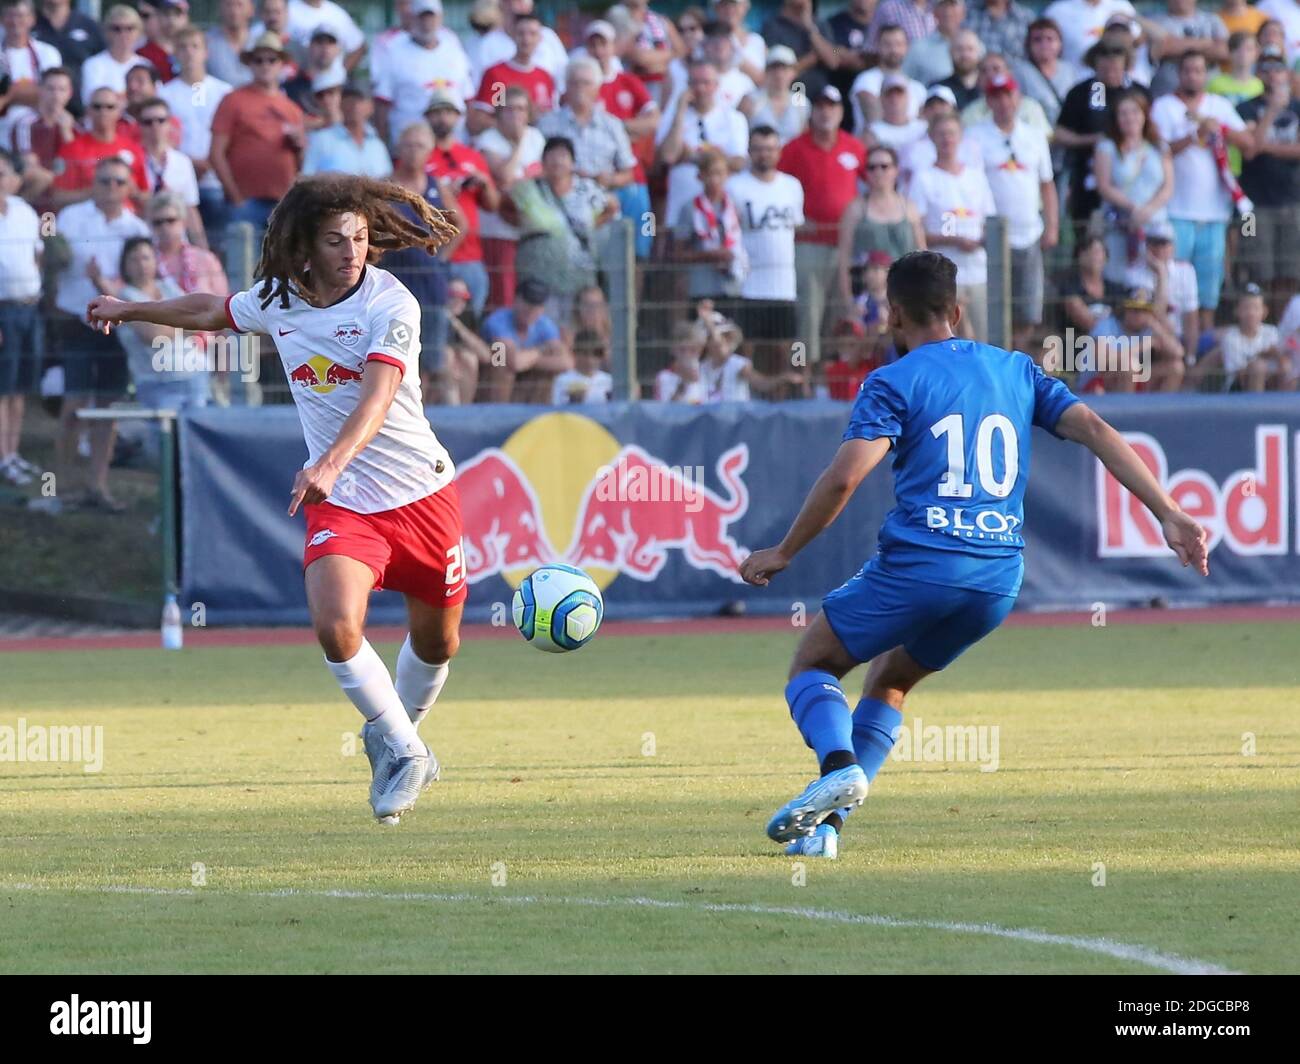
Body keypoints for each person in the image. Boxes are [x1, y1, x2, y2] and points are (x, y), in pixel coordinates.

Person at [738, 250, 1209, 860]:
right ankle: (827, 832)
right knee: (893, 681)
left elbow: (843, 479)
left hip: (921, 563)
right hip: (996, 579)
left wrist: (784, 550)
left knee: (814, 665)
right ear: (958, 311)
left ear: (893, 316)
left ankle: (835, 765)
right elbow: (1092, 425)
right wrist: (1168, 512)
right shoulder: (1016, 370)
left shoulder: (893, 381)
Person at [88, 173, 464, 824]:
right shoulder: (281, 298)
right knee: (335, 623)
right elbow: (213, 311)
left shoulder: (390, 303)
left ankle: (400, 740)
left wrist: (330, 459)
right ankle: (405, 750)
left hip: (421, 494)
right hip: (343, 500)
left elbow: (377, 397)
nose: (351, 251)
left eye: (360, 238)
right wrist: (131, 307)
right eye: (335, 240)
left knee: (438, 645)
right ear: (304, 248)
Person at [42, 156, 150, 515]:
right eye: (104, 181)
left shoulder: (135, 227)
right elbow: (49, 258)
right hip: (77, 320)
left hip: (115, 326)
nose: (111, 188)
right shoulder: (71, 218)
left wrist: (106, 285)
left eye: (119, 182)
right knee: (73, 405)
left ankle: (97, 485)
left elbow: (139, 279)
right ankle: (61, 485)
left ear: (128, 186)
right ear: (94, 182)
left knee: (107, 408)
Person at [1152, 49, 1253, 333]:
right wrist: (1194, 136)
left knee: (1208, 290)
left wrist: (1219, 128)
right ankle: (1176, 347)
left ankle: (1203, 345)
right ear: (1179, 74)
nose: (1193, 75)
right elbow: (1158, 150)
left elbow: (1247, 142)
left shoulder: (1218, 106)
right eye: (1188, 70)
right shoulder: (1164, 107)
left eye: (1199, 70)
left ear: (1206, 74)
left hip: (1215, 213)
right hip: (1177, 211)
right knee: (1174, 289)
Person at [968, 73, 1058, 350]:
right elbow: (970, 185)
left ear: (1017, 97)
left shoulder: (1034, 136)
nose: (1003, 101)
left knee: (1028, 308)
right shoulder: (975, 136)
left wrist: (1052, 226)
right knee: (995, 308)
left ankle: (1014, 360)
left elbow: (1047, 185)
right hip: (991, 237)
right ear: (988, 100)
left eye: (1008, 94)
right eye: (996, 95)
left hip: (1029, 232)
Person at [780, 86, 867, 365]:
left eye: (831, 106)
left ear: (841, 112)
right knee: (809, 312)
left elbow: (875, 183)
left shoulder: (854, 147)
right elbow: (778, 187)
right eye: (819, 106)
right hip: (811, 244)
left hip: (848, 246)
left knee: (840, 311)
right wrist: (795, 221)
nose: (825, 111)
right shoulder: (794, 148)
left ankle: (836, 373)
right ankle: (807, 376)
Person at [386, 120, 461, 404]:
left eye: (420, 146)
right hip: (397, 279)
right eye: (408, 145)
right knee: (400, 354)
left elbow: (459, 223)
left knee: (432, 357)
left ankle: (424, 411)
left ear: (430, 150)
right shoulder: (387, 185)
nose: (414, 152)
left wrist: (441, 256)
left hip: (430, 282)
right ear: (399, 148)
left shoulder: (434, 185)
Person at [510, 135, 617, 326]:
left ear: (573, 162)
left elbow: (611, 206)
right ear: (543, 162)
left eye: (563, 156)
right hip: (540, 279)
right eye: (551, 156)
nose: (557, 161)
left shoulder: (586, 189)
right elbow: (504, 205)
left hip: (580, 277)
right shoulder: (528, 189)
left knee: (580, 332)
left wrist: (592, 224)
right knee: (546, 332)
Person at [729, 125, 804, 389]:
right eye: (758, 149)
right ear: (749, 151)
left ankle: (787, 403)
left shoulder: (792, 186)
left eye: (770, 149)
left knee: (786, 350)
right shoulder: (735, 186)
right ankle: (744, 398)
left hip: (784, 283)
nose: (764, 155)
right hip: (749, 283)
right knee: (746, 350)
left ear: (778, 152)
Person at [909, 112, 996, 341]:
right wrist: (954, 240)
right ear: (932, 138)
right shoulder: (923, 178)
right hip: (943, 276)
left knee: (980, 338)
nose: (947, 139)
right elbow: (917, 229)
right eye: (941, 134)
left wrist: (979, 241)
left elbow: (990, 222)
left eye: (952, 133)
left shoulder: (976, 177)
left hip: (977, 272)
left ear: (960, 137)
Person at [209, 31, 305, 231]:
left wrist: (300, 146)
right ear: (250, 64)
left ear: (281, 64)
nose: (265, 65)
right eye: (258, 60)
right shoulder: (233, 100)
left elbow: (302, 163)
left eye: (271, 60)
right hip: (245, 202)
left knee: (281, 261)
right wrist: (235, 197)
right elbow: (216, 154)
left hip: (283, 203)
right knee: (242, 259)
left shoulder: (292, 109)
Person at [424, 90, 499, 318]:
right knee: (437, 324)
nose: (443, 118)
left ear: (458, 117)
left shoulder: (472, 157)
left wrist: (484, 184)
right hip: (437, 254)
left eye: (448, 112)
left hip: (471, 257)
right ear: (427, 117)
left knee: (471, 324)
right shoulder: (422, 156)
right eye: (437, 113)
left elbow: (493, 206)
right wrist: (446, 191)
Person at [1093, 89, 1173, 288]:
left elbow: (1168, 186)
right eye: (1123, 113)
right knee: (1121, 280)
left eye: (1135, 112)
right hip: (1121, 224)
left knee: (1155, 279)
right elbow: (1104, 186)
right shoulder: (1107, 146)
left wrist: (1148, 210)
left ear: (1145, 114)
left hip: (1154, 226)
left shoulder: (1159, 147)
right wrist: (1133, 208)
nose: (1130, 118)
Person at [476, 85, 543, 312]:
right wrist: (519, 143)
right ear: (499, 114)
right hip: (499, 228)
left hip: (531, 226)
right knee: (502, 289)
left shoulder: (537, 137)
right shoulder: (488, 140)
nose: (517, 115)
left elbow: (543, 178)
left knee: (531, 286)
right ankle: (499, 341)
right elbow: (504, 177)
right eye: (510, 109)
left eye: (522, 109)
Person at [159, 27, 233, 237]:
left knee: (218, 241)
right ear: (175, 53)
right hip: (179, 179)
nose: (189, 52)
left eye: (195, 46)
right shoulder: (164, 94)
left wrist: (211, 162)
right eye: (182, 47)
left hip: (215, 179)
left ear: (205, 52)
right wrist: (189, 162)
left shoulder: (224, 91)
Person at [372, 0, 472, 151]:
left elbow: (468, 98)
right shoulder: (394, 51)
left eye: (431, 17)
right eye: (422, 17)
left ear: (440, 18)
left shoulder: (454, 50)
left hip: (453, 145)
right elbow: (382, 104)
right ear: (412, 18)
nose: (427, 23)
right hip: (411, 148)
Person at [837, 145, 925, 308]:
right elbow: (844, 259)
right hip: (866, 297)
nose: (878, 172)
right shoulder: (855, 209)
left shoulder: (910, 208)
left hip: (905, 296)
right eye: (872, 167)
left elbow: (922, 255)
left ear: (896, 170)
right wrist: (849, 303)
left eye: (884, 166)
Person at [0, 147, 42, 486]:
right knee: (2, 387)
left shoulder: (26, 212)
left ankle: (12, 454)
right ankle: (2, 459)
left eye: (2, 174)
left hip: (30, 307)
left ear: (15, 180)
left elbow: (37, 257)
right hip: (2, 311)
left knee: (19, 387)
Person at [49, 85, 147, 211]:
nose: (103, 112)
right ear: (88, 111)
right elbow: (57, 198)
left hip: (126, 220)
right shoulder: (71, 149)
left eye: (109, 107)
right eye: (97, 107)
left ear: (119, 112)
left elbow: (146, 193)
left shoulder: (133, 149)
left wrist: (133, 193)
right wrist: (96, 192)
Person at [674, 145, 747, 312]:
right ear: (700, 176)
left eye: (720, 173)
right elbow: (678, 253)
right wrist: (709, 255)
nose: (715, 180)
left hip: (734, 285)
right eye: (710, 174)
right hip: (702, 287)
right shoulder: (689, 209)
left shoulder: (735, 206)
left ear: (728, 175)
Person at [478, 277, 573, 401]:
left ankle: (537, 415)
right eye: (527, 302)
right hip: (491, 376)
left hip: (524, 372)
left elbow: (567, 362)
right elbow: (509, 362)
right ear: (516, 299)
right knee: (502, 365)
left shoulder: (545, 324)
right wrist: (540, 351)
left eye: (537, 305)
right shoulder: (497, 321)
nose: (531, 309)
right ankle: (498, 413)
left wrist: (530, 360)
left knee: (545, 373)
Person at [1189, 281, 1293, 388]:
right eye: (1246, 308)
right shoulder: (1231, 337)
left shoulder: (1272, 333)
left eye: (1256, 308)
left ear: (1264, 312)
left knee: (1287, 367)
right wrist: (1261, 356)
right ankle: (1257, 404)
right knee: (1258, 368)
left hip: (1268, 385)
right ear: (1237, 311)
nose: (1251, 313)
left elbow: (1282, 364)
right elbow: (1239, 375)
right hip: (1238, 391)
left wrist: (1278, 356)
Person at [136, 95, 205, 247]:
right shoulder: (132, 160)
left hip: (177, 239)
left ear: (169, 124)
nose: (155, 126)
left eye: (160, 120)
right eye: (148, 122)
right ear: (139, 126)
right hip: (142, 237)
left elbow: (190, 207)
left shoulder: (182, 162)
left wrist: (202, 247)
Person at [303, 81, 392, 179]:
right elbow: (307, 178)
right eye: (348, 101)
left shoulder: (377, 145)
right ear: (340, 105)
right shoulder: (321, 140)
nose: (353, 106)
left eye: (359, 101)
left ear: (370, 107)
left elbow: (387, 180)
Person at [739, 45, 808, 145]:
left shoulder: (802, 103)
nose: (779, 74)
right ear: (766, 71)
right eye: (774, 68)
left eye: (784, 69)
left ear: (793, 73)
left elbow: (804, 138)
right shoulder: (750, 100)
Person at [79, 4, 145, 105]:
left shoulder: (146, 65)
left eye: (130, 28)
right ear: (106, 31)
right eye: (117, 28)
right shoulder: (93, 65)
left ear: (139, 32)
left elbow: (152, 101)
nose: (123, 34)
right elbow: (93, 102)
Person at [550, 332, 613, 403]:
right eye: (585, 353)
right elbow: (557, 410)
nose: (590, 359)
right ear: (575, 353)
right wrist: (573, 402)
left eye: (596, 353)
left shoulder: (609, 382)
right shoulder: (562, 381)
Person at [205, 0, 254, 88]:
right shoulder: (206, 42)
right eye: (229, 4)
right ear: (219, 9)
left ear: (251, 9)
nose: (234, 11)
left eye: (239, 5)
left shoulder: (261, 44)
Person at [654, 319, 707, 401]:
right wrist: (684, 383)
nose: (687, 354)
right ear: (673, 349)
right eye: (682, 349)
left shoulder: (706, 372)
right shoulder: (664, 377)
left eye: (693, 350)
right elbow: (665, 411)